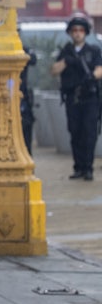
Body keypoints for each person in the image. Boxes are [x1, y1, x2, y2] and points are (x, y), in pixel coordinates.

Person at [51, 13, 102, 181]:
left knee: (89, 133)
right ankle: (78, 167)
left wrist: (92, 76)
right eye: (74, 30)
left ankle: (88, 168)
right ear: (70, 32)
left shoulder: (93, 51)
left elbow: (100, 69)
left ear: (85, 32)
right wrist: (67, 61)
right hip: (73, 98)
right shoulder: (66, 51)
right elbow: (54, 71)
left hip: (89, 97)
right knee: (75, 132)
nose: (78, 33)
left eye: (81, 30)